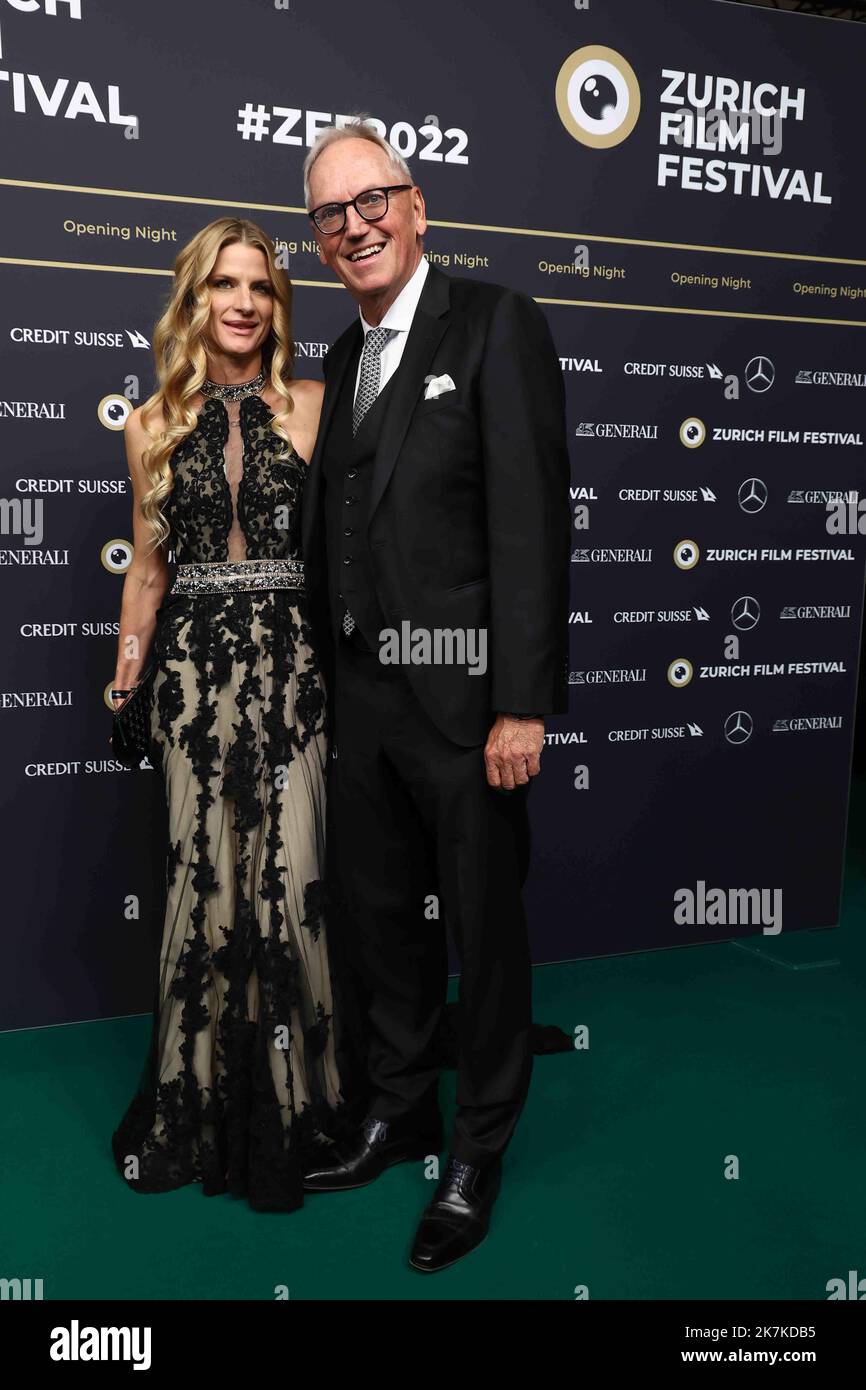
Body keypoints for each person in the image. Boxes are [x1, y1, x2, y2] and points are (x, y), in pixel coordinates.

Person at [299, 122, 571, 1271]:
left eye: (373, 200)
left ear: (416, 207)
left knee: (481, 932)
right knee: (378, 929)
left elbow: (528, 522)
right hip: (361, 703)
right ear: (318, 242)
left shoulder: (495, 323)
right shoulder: (342, 350)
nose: (354, 224)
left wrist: (521, 703)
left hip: (466, 709)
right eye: (330, 214)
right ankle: (396, 1106)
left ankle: (476, 1148)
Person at [110, 217, 350, 1212]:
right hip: (193, 677)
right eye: (224, 285)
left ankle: (301, 1105)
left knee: (292, 880)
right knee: (202, 888)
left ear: (277, 303)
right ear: (193, 299)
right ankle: (197, 1102)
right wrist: (126, 684)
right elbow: (147, 575)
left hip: (294, 670)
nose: (244, 302)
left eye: (260, 285)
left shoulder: (314, 407)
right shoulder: (151, 423)